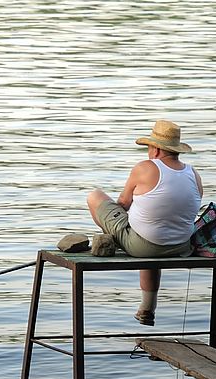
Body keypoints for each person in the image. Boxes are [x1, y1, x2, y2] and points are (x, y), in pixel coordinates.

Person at [86, 119, 203, 326]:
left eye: (149, 147)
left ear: (156, 149)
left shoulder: (145, 168)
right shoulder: (193, 173)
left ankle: (111, 238)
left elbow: (123, 203)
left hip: (143, 247)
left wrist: (118, 220)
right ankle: (147, 309)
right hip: (182, 246)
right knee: (150, 230)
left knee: (94, 196)